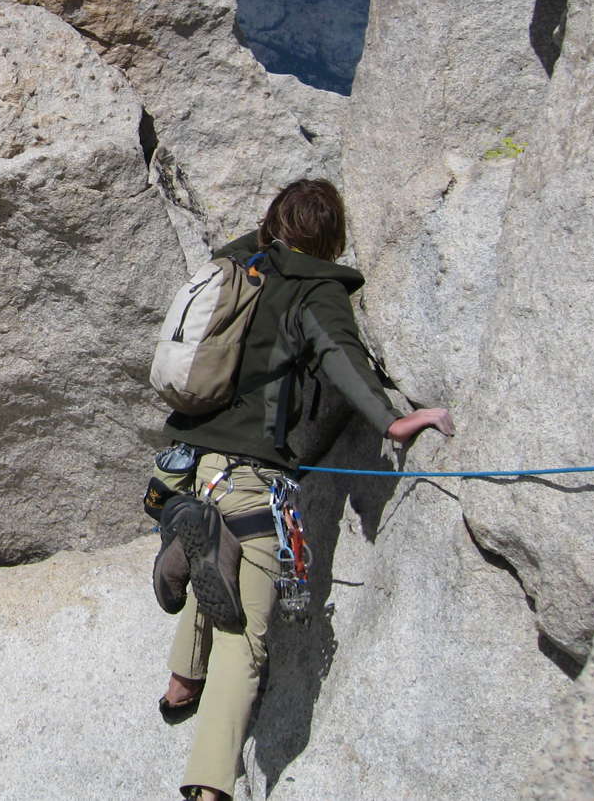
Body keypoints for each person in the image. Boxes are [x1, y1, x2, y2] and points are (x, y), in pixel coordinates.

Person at [155, 177, 454, 801]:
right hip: (255, 479)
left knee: (214, 558)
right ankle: (209, 785)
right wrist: (393, 421)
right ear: (333, 238)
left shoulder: (243, 268)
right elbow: (339, 353)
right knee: (245, 635)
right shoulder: (316, 289)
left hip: (197, 464)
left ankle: (181, 684)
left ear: (272, 225)